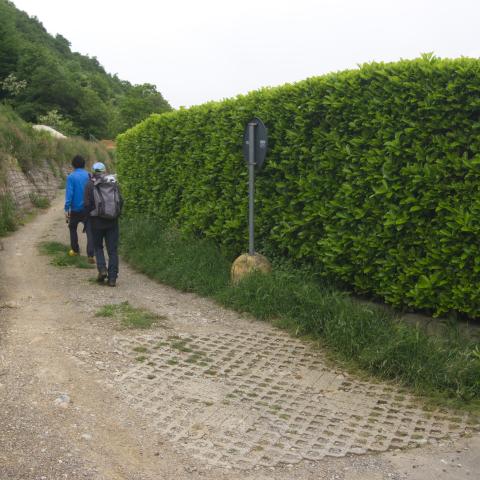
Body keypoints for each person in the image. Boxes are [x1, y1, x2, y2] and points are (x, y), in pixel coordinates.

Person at [84, 162, 123, 287]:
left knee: (98, 247)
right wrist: (116, 215)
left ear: (93, 171)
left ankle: (102, 269)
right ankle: (112, 278)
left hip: (96, 222)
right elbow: (120, 201)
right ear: (105, 170)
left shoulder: (90, 184)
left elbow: (86, 204)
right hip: (112, 221)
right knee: (112, 250)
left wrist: (89, 217)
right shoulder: (113, 182)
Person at [64, 155, 94, 262]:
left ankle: (75, 250)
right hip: (88, 208)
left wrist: (66, 208)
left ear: (73, 165)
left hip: (76, 209)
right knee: (90, 230)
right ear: (84, 164)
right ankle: (90, 254)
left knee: (72, 228)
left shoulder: (71, 177)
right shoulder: (89, 175)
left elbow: (69, 194)